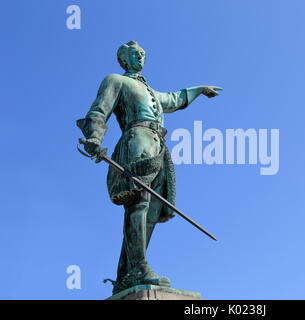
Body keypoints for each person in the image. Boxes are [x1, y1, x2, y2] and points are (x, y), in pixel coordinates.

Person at [76, 40, 221, 294]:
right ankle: (139, 266)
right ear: (124, 59)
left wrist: (199, 89)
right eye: (135, 54)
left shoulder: (151, 91)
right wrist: (94, 138)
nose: (140, 57)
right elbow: (99, 110)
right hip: (135, 144)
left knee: (152, 210)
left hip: (158, 148)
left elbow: (174, 99)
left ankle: (127, 272)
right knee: (139, 202)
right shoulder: (117, 81)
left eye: (143, 53)